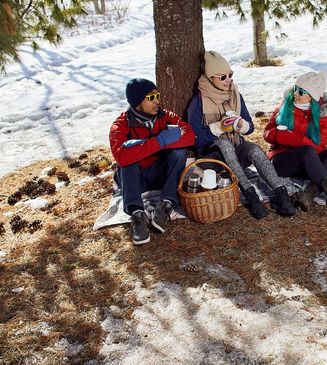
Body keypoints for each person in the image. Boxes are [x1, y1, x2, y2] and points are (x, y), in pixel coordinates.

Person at [187, 51, 296, 219]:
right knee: (224, 144)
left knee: (253, 148)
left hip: (236, 153)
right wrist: (218, 127)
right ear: (210, 78)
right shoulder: (198, 102)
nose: (228, 80)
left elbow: (250, 127)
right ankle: (251, 196)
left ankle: (281, 195)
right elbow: (194, 139)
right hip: (212, 160)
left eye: (230, 75)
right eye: (222, 77)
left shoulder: (235, 95)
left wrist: (241, 125)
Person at [109, 78, 195, 245]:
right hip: (135, 179)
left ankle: (166, 204)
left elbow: (190, 136)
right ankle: (137, 215)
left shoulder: (166, 116)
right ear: (136, 102)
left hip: (160, 176)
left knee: (179, 152)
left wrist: (145, 145)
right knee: (128, 161)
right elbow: (121, 156)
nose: (157, 101)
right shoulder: (120, 126)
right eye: (151, 98)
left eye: (157, 95)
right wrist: (159, 142)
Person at [263, 71, 327, 213]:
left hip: (308, 163)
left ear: (312, 96)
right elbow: (267, 134)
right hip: (282, 162)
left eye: (301, 91)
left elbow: (319, 147)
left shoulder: (323, 115)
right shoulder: (285, 105)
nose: (296, 93)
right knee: (307, 150)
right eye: (296, 88)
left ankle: (309, 193)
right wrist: (285, 136)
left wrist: (296, 139)